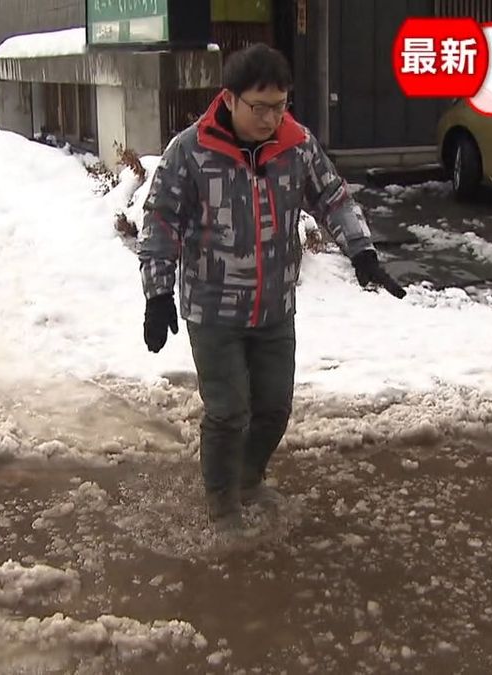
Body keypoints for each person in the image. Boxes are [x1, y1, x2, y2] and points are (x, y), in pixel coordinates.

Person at [137, 43, 407, 532]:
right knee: (227, 411)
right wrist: (157, 294)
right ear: (231, 99)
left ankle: (247, 477)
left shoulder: (296, 145)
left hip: (274, 307)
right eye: (259, 107)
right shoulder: (191, 151)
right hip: (213, 310)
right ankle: (221, 504)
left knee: (274, 407)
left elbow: (334, 199)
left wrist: (361, 251)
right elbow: (160, 223)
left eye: (279, 106)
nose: (269, 118)